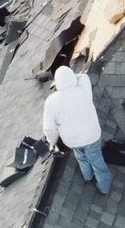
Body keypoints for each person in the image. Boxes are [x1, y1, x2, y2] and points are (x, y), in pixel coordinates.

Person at [42, 66, 112, 195]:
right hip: (91, 136)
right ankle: (105, 187)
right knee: (96, 160)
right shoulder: (84, 87)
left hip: (72, 140)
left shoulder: (51, 102)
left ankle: (88, 176)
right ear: (72, 77)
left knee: (80, 156)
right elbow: (82, 76)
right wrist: (72, 77)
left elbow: (49, 129)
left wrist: (51, 143)